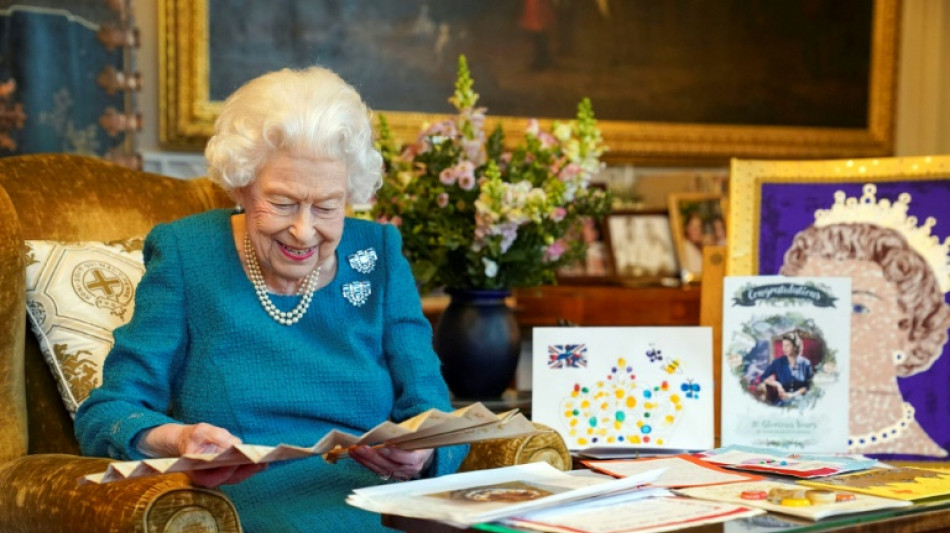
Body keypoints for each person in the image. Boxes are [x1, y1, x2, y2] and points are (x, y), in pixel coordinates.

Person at [74, 66, 467, 531]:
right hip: (247, 514)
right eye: (282, 203)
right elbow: (106, 414)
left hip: (383, 513)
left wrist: (423, 454)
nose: (304, 231)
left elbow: (435, 412)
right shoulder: (187, 253)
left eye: (326, 207)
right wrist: (177, 438)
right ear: (242, 183)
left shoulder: (378, 252)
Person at [782, 218, 950, 457]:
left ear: (907, 328)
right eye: (811, 306)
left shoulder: (924, 460)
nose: (825, 329)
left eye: (857, 308)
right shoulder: (769, 444)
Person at [756, 332, 812, 405]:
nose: (784, 348)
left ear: (795, 347)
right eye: (783, 345)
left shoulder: (806, 363)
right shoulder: (777, 362)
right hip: (782, 401)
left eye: (787, 345)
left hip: (801, 400)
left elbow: (809, 386)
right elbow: (763, 377)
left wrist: (792, 395)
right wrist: (777, 384)